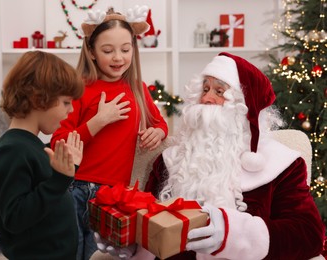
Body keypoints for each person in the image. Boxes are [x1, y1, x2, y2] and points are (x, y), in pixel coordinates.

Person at [96, 52, 326, 259]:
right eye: (204, 90)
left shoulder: (282, 164)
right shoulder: (168, 161)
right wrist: (126, 240)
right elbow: (149, 223)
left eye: (219, 92)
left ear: (245, 107)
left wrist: (234, 234)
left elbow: (308, 234)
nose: (206, 99)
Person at [51, 6, 168, 260]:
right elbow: (59, 141)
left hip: (113, 197)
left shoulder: (138, 89)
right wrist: (98, 121)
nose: (118, 57)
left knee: (102, 257)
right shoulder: (80, 88)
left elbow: (161, 124)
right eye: (107, 50)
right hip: (76, 189)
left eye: (125, 50)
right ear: (92, 52)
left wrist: (157, 133)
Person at [0, 50, 85, 260]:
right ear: (40, 100)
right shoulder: (13, 150)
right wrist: (60, 180)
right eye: (66, 102)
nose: (71, 110)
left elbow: (43, 194)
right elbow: (14, 217)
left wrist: (67, 170)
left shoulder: (29, 144)